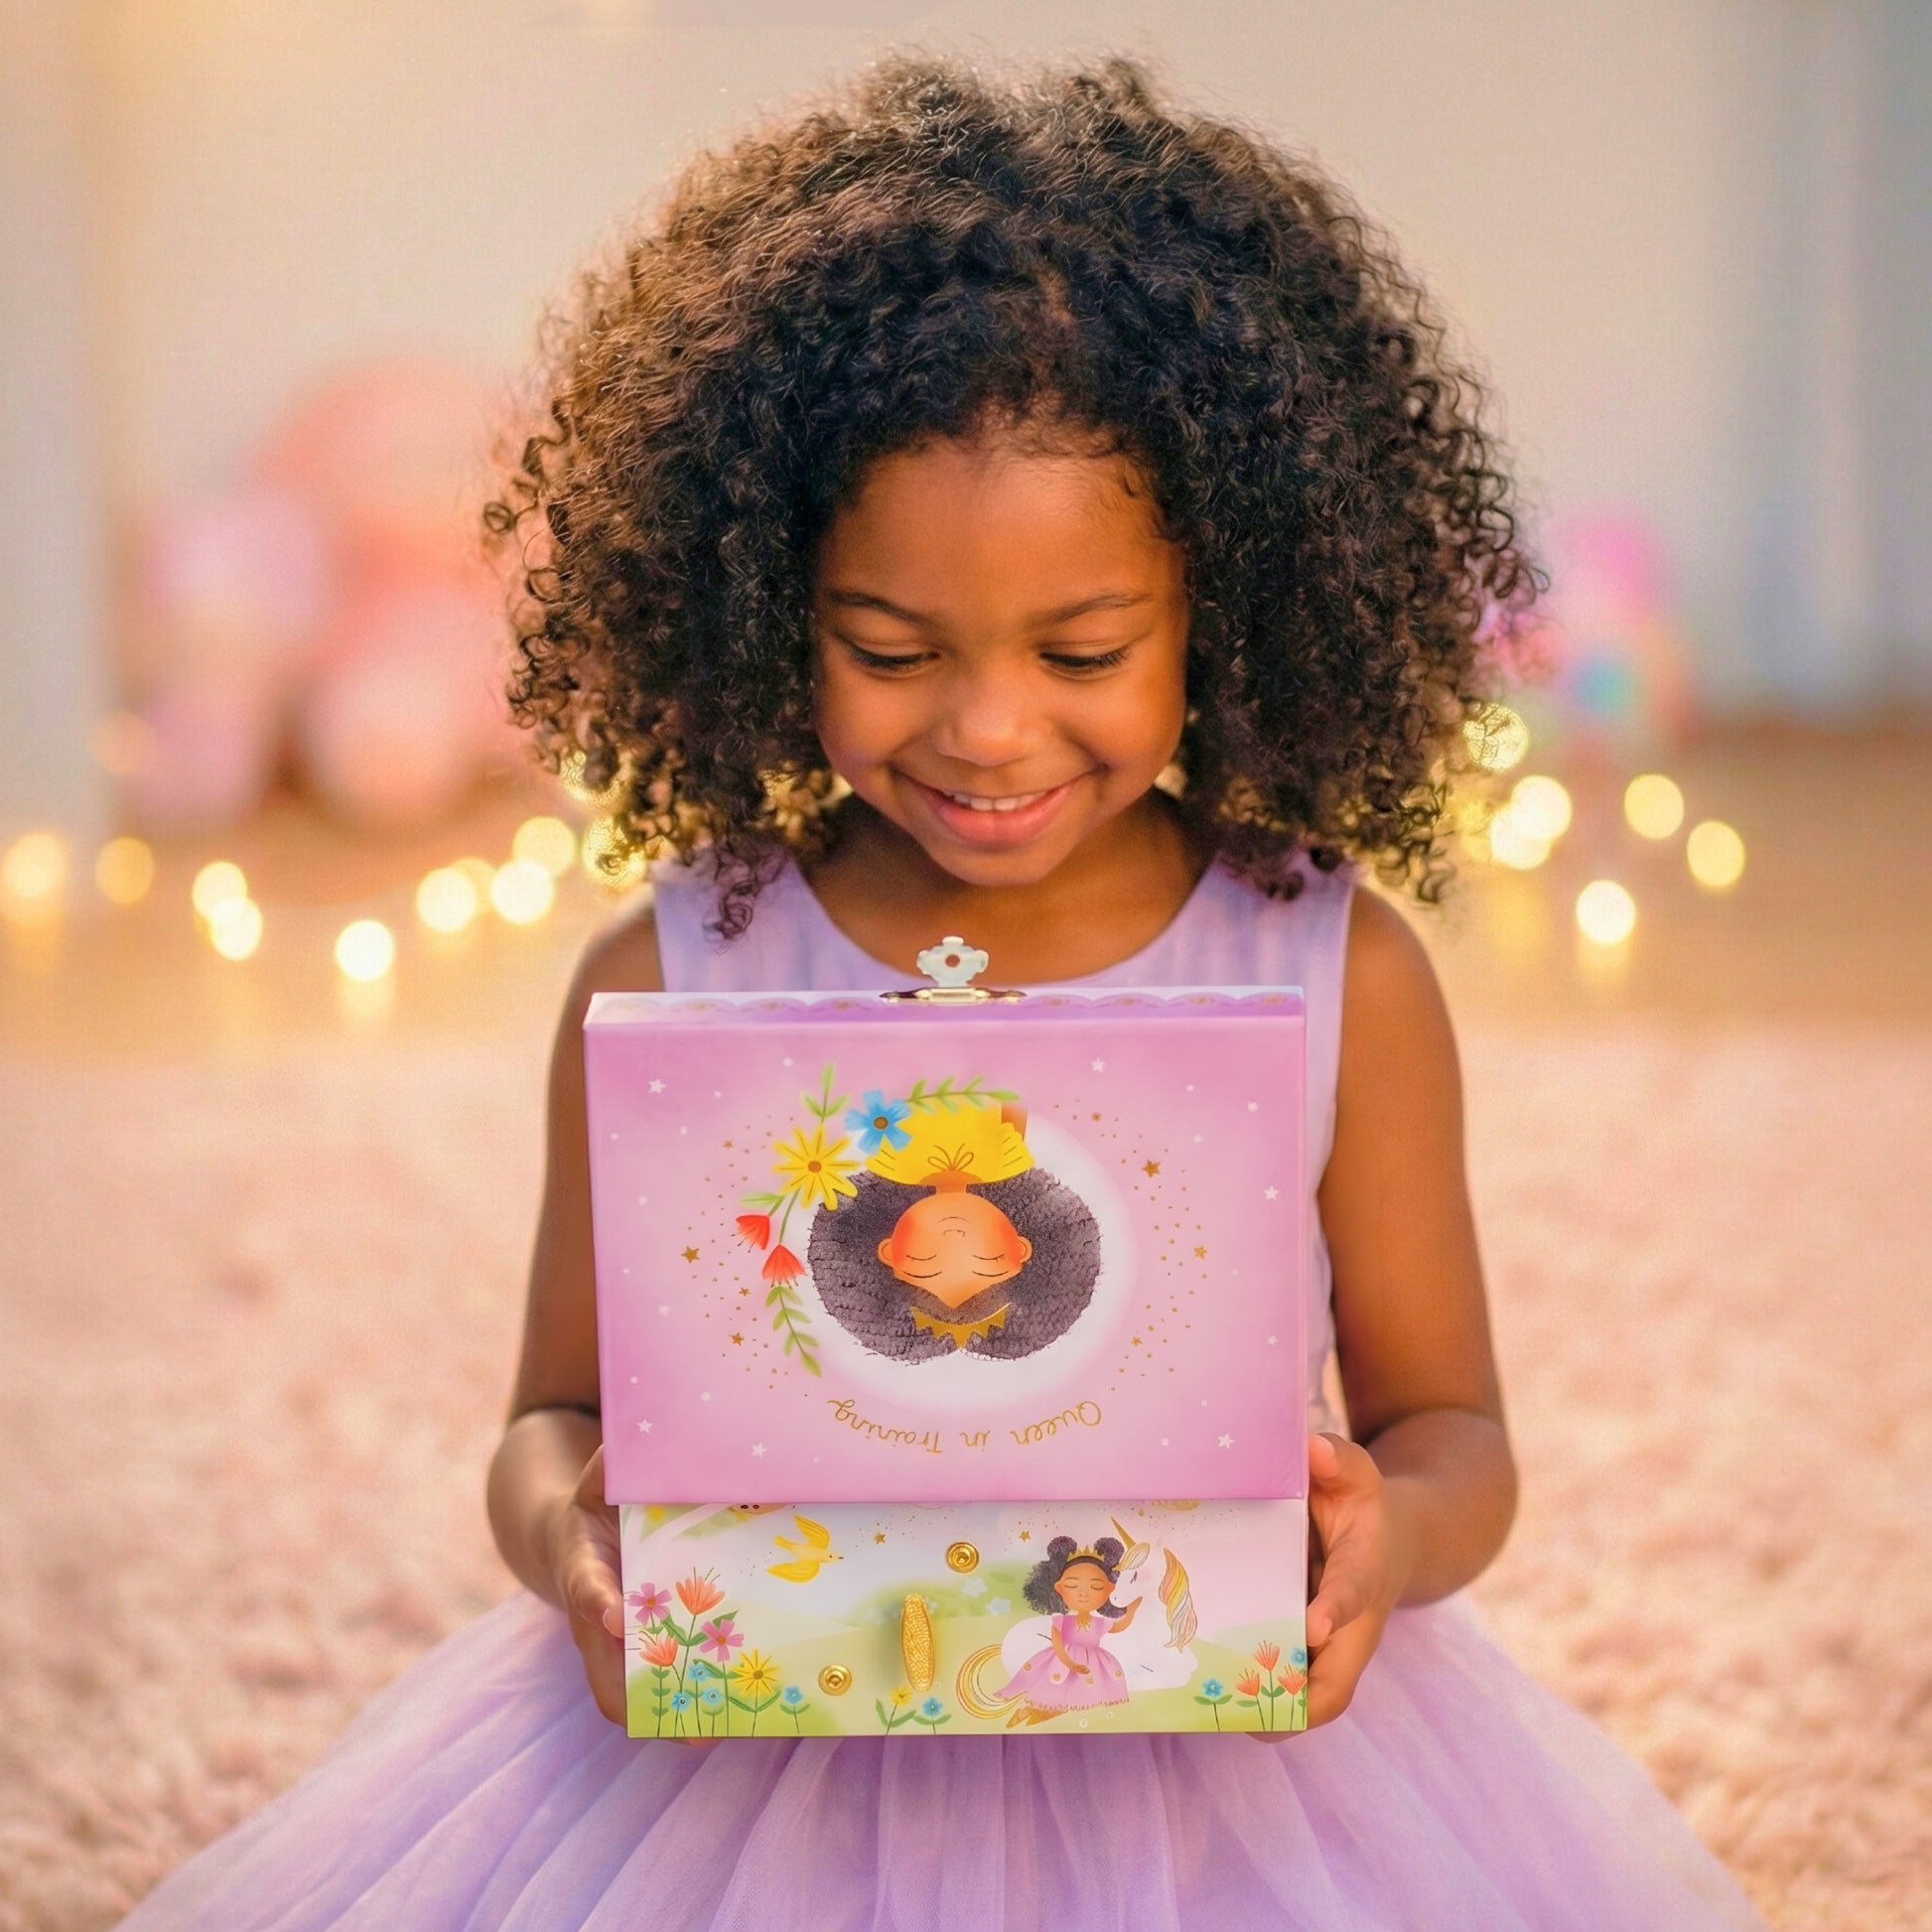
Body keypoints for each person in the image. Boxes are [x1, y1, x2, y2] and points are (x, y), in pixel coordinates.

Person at [118, 55, 1769, 1930]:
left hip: (1221, 1760)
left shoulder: (1336, 968)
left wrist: (1394, 1541)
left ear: (1224, 611)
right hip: (752, 1749)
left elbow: (1453, 1433)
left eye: (1083, 648)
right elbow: (545, 1422)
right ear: (762, 603)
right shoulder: (670, 969)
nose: (988, 728)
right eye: (889, 648)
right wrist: (567, 1541)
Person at [995, 1536, 1143, 1726]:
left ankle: (1047, 1714)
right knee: (1053, 1687)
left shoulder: (1100, 1622)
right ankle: (1031, 1711)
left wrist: (1131, 1610)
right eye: (1072, 1585)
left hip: (1095, 1664)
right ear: (1059, 1588)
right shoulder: (1061, 1619)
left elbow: (1119, 1627)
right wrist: (1067, 1661)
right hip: (1061, 1661)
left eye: (1096, 1586)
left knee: (1079, 1695)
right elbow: (1057, 1641)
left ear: (1108, 1590)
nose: (1083, 1593)